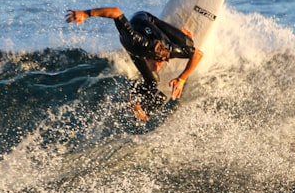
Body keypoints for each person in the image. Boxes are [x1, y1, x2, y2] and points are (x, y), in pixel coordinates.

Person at [65, 7, 203, 120]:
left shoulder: (170, 49)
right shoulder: (134, 39)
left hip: (153, 25)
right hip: (140, 22)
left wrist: (181, 79)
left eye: (162, 62)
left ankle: (142, 113)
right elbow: (116, 12)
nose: (159, 66)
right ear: (147, 58)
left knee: (189, 44)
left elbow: (198, 54)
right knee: (152, 80)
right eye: (157, 62)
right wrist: (86, 14)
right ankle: (131, 101)